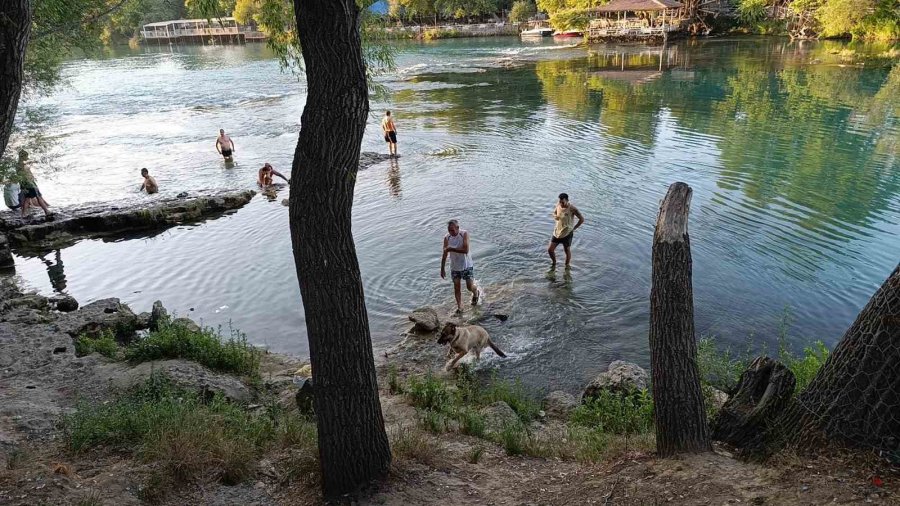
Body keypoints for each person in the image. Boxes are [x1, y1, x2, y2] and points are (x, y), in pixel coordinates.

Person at [440, 219, 481, 314]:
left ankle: (476, 292)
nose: (451, 232)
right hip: (455, 267)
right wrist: (442, 268)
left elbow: (465, 250)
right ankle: (460, 307)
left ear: (458, 228)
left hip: (467, 265)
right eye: (449, 230)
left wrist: (451, 249)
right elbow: (445, 254)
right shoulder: (447, 238)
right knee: (456, 287)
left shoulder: (464, 234)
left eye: (452, 230)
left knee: (469, 287)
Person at [548, 192, 584, 268]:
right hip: (557, 232)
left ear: (567, 200)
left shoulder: (572, 209)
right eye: (560, 202)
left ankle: (566, 266)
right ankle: (554, 264)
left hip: (567, 233)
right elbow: (554, 213)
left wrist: (574, 228)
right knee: (550, 250)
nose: (561, 204)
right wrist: (555, 216)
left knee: (566, 250)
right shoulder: (558, 204)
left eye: (563, 202)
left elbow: (582, 219)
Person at [16, 151, 51, 219]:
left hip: (24, 184)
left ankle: (23, 214)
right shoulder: (22, 165)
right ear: (22, 156)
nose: (27, 157)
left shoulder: (17, 165)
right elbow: (27, 173)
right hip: (30, 184)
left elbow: (21, 175)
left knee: (27, 199)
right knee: (38, 196)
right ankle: (46, 211)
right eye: (26, 156)